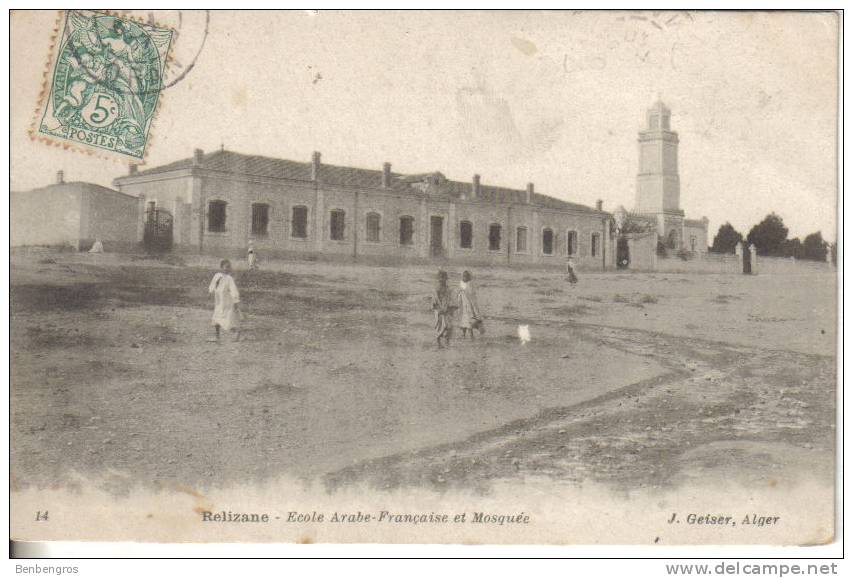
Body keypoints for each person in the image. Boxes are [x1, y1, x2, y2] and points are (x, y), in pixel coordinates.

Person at [208, 259, 241, 342]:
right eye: (226, 267)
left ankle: (236, 332)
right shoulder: (217, 275)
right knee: (216, 318)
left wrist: (235, 300)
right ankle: (217, 336)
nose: (228, 269)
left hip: (226, 302)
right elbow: (213, 284)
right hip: (218, 301)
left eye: (229, 267)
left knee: (226, 320)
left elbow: (233, 290)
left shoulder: (229, 278)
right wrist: (211, 290)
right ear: (221, 267)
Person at [431, 270, 455, 348]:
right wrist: (438, 309)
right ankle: (439, 344)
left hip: (447, 310)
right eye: (440, 278)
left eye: (443, 278)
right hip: (439, 312)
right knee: (439, 327)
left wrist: (451, 308)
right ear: (438, 279)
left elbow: (451, 300)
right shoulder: (436, 290)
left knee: (449, 326)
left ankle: (447, 342)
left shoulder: (448, 289)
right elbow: (434, 302)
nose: (441, 280)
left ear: (446, 279)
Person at [456, 270, 484, 339]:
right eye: (463, 276)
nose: (464, 278)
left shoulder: (470, 284)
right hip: (463, 306)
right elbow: (459, 294)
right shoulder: (461, 283)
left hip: (469, 306)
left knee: (469, 322)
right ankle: (464, 335)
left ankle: (471, 336)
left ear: (468, 277)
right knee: (463, 322)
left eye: (465, 276)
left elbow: (472, 295)